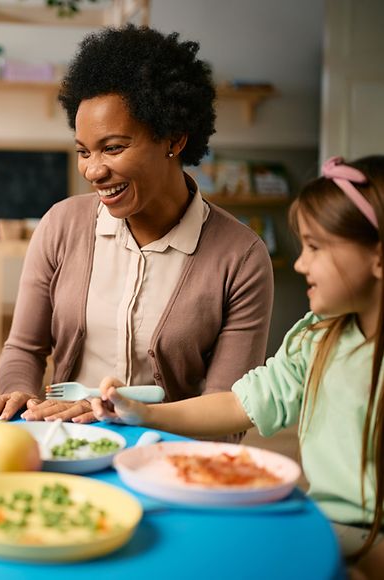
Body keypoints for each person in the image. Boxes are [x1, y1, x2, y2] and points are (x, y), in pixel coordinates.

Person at [91, 155, 384, 577]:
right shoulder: (315, 338)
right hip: (325, 525)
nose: (300, 264)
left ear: (378, 257)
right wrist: (145, 413)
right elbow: (239, 404)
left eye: (316, 248)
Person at [0, 25, 274, 424]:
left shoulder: (241, 258)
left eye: (113, 148)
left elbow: (229, 409)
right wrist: (20, 396)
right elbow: (24, 349)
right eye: (83, 151)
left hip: (167, 457)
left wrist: (125, 416)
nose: (93, 170)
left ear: (174, 138)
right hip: (68, 442)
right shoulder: (61, 226)